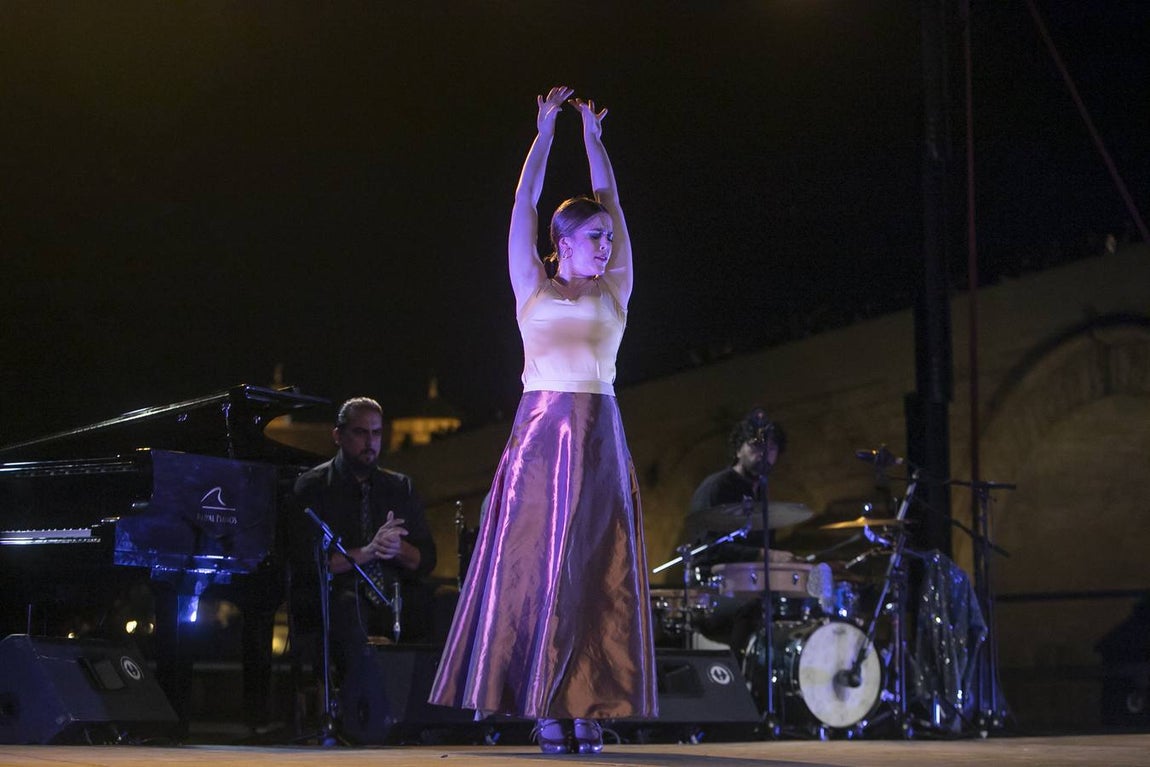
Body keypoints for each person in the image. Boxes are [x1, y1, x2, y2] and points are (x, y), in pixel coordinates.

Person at [429, 86, 657, 755]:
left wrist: (594, 137)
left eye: (608, 239)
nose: (605, 245)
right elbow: (524, 204)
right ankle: (544, 709)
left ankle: (587, 706)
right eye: (593, 238)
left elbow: (611, 199)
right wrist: (544, 132)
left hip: (598, 438)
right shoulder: (532, 286)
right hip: (540, 438)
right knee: (538, 572)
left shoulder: (616, 288)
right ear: (560, 244)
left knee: (593, 572)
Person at [291, 397, 437, 685]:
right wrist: (370, 551)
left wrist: (397, 549)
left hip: (393, 590)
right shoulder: (313, 486)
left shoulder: (399, 487)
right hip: (340, 594)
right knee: (349, 610)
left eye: (376, 433)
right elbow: (312, 564)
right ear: (338, 435)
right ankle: (359, 709)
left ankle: (424, 710)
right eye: (360, 433)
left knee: (441, 607)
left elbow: (426, 559)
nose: (370, 442)